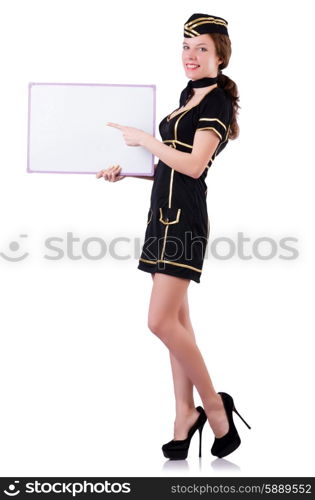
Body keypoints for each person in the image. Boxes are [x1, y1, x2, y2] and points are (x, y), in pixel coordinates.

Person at [96, 13, 251, 460]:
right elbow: (171, 167)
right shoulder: (188, 96)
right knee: (178, 325)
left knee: (160, 323)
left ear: (220, 55)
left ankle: (216, 408)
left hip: (182, 221)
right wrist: (127, 173)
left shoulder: (216, 100)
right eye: (186, 46)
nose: (191, 55)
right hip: (161, 214)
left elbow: (194, 166)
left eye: (202, 48)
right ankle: (185, 413)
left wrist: (145, 139)